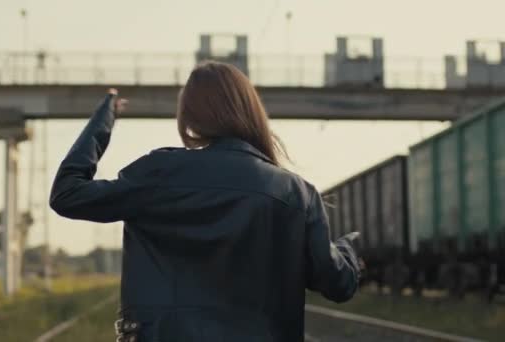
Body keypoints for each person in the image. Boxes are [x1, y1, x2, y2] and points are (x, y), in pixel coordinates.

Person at [50, 61, 361, 341]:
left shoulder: (158, 174)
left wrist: (104, 118)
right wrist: (346, 250)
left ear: (191, 117)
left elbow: (67, 194)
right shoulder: (294, 193)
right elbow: (338, 285)